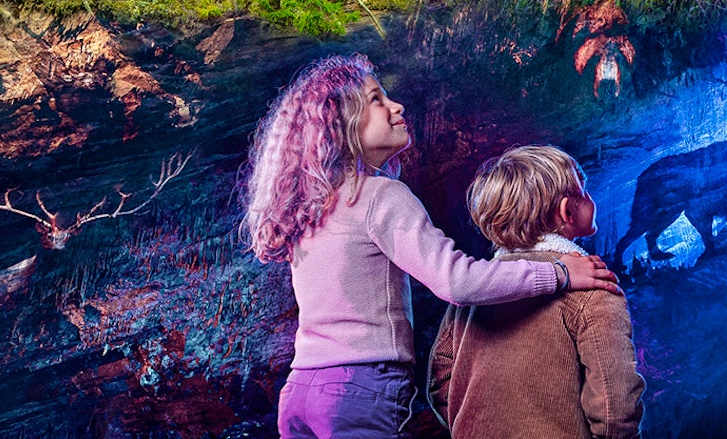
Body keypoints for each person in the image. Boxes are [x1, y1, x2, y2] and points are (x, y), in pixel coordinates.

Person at [241, 55, 621, 439]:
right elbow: (458, 283)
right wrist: (559, 273)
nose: (396, 106)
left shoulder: (312, 206)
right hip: (359, 388)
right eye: (376, 99)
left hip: (300, 392)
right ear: (341, 125)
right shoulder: (380, 196)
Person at [428, 145, 646, 439]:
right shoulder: (594, 285)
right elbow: (614, 407)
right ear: (567, 210)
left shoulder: (474, 293)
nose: (592, 198)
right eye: (585, 190)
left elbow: (440, 380)